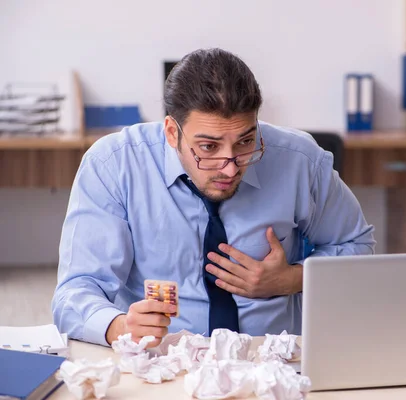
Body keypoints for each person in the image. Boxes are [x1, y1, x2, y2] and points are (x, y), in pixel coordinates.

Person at [52, 48, 375, 348]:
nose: (230, 167)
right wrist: (119, 327)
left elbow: (356, 246)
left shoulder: (300, 159)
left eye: (246, 141)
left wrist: (292, 278)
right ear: (171, 132)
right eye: (208, 147)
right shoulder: (114, 163)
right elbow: (75, 292)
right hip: (163, 359)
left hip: (271, 359)